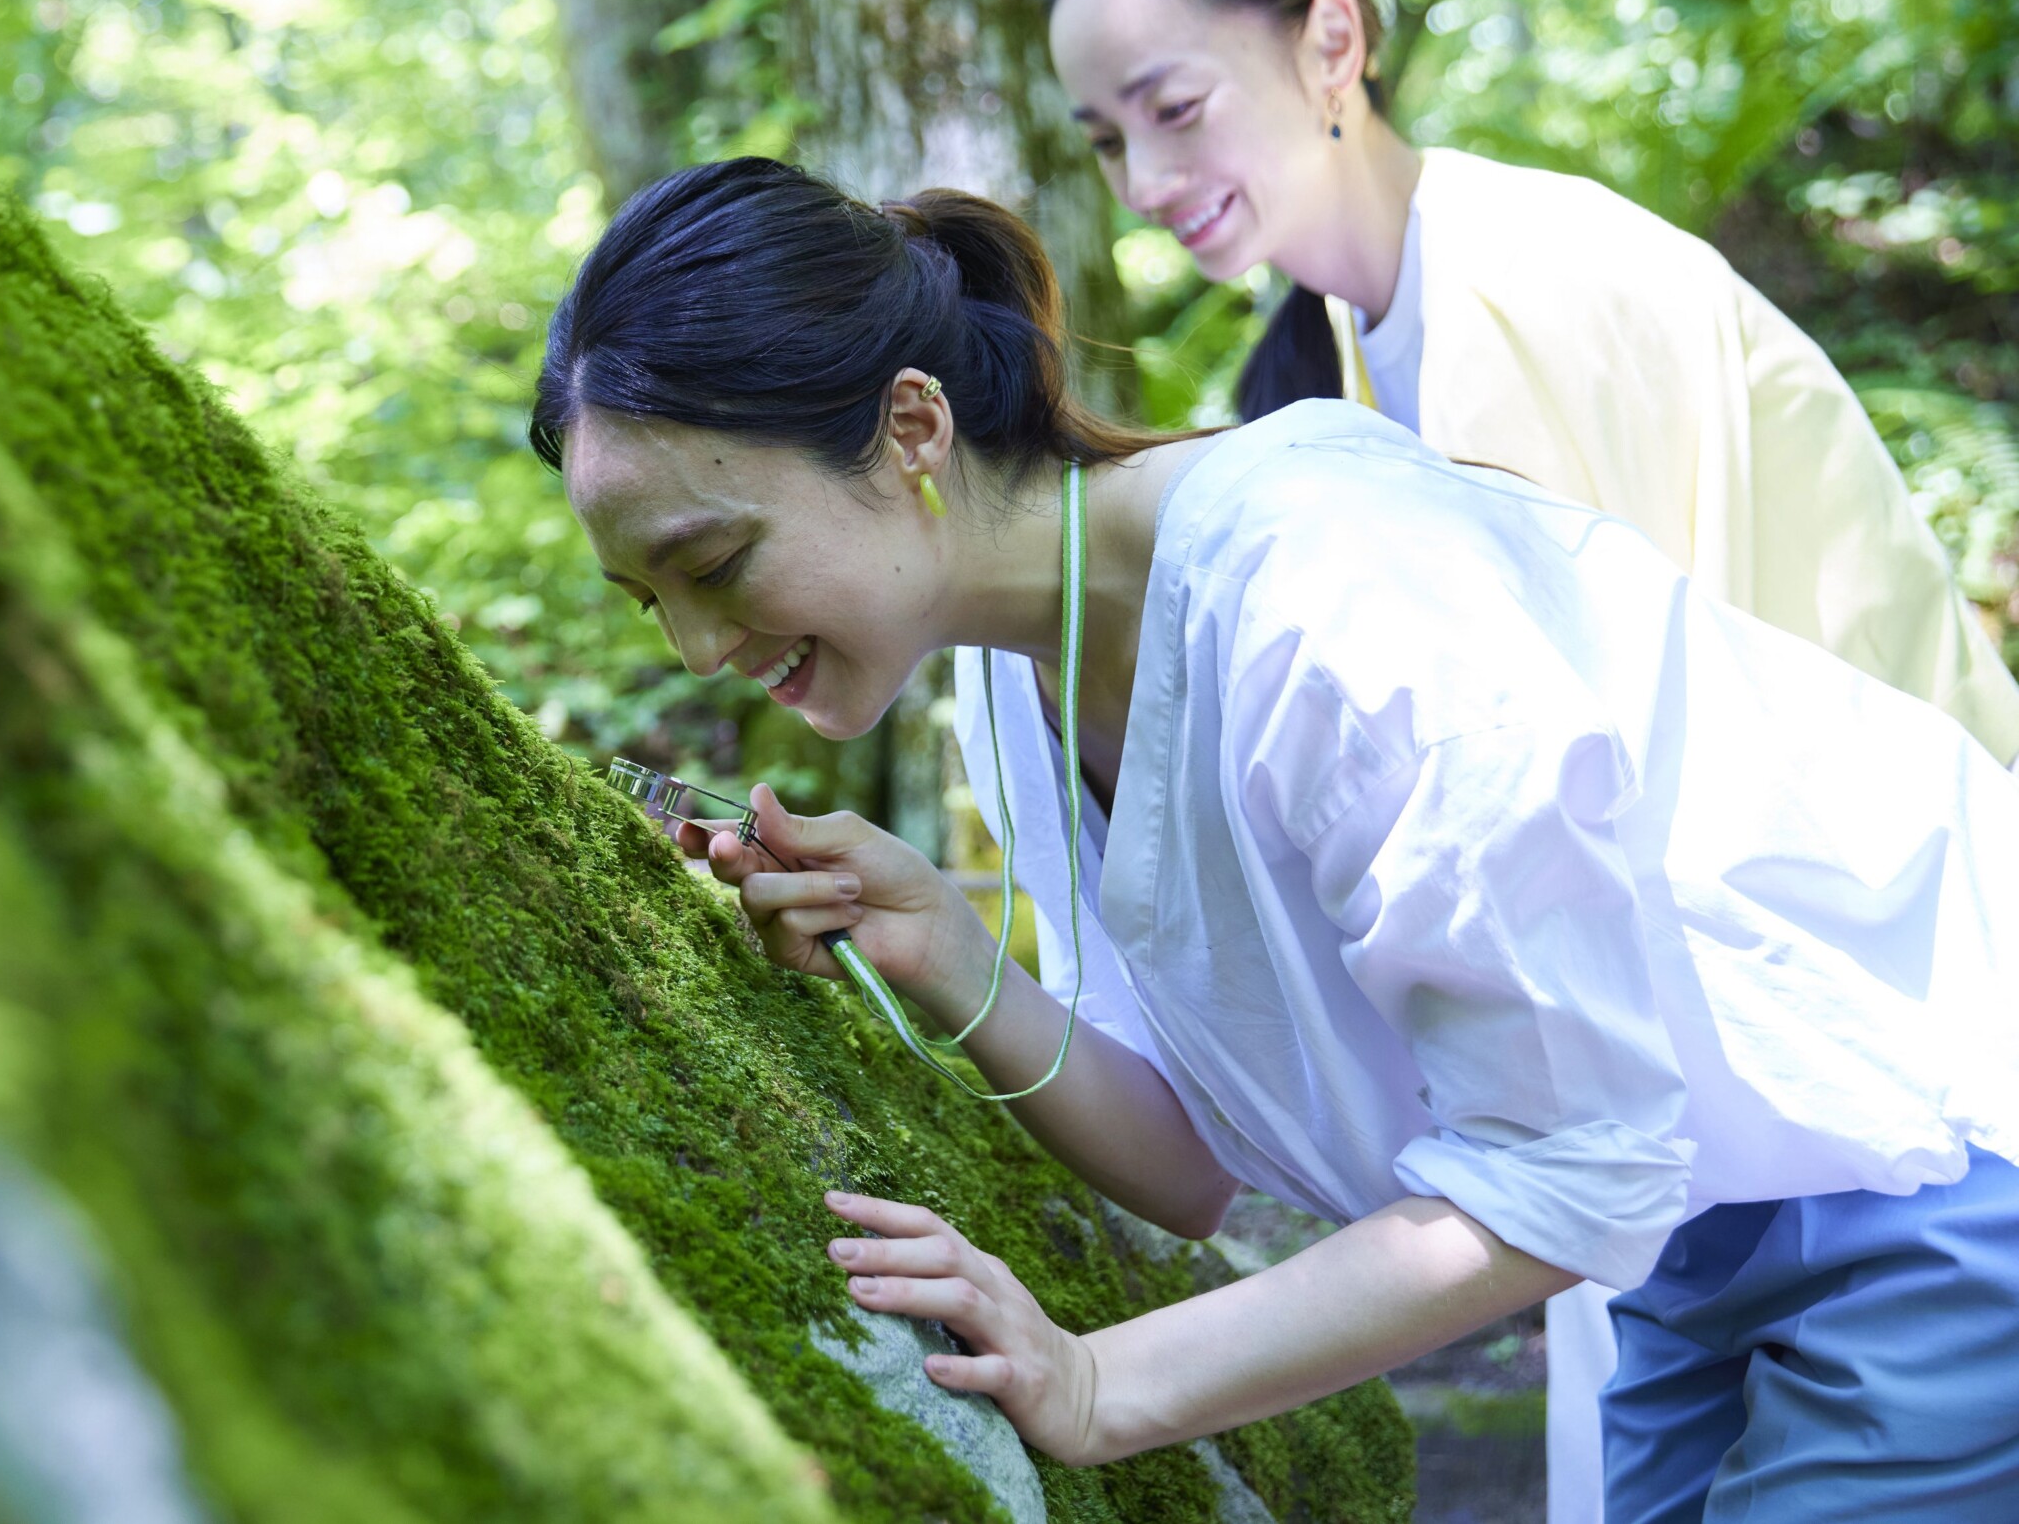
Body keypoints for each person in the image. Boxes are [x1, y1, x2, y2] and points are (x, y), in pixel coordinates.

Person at [534, 156, 2019, 1521]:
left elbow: (1569, 1171)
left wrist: (1100, 1382)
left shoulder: (1332, 594)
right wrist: (943, 947)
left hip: (1936, 1145)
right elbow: (1191, 1161)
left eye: (713, 564)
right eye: (645, 600)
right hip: (1714, 1225)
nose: (694, 647)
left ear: (912, 425)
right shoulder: (1014, 678)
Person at [1036, 0, 2019, 1508]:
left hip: (1911, 1058)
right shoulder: (1380, 334)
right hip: (1795, 1081)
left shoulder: (1524, 295)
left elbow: (1598, 886)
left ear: (1330, 41)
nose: (1142, 177)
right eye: (1105, 139)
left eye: (1171, 106)